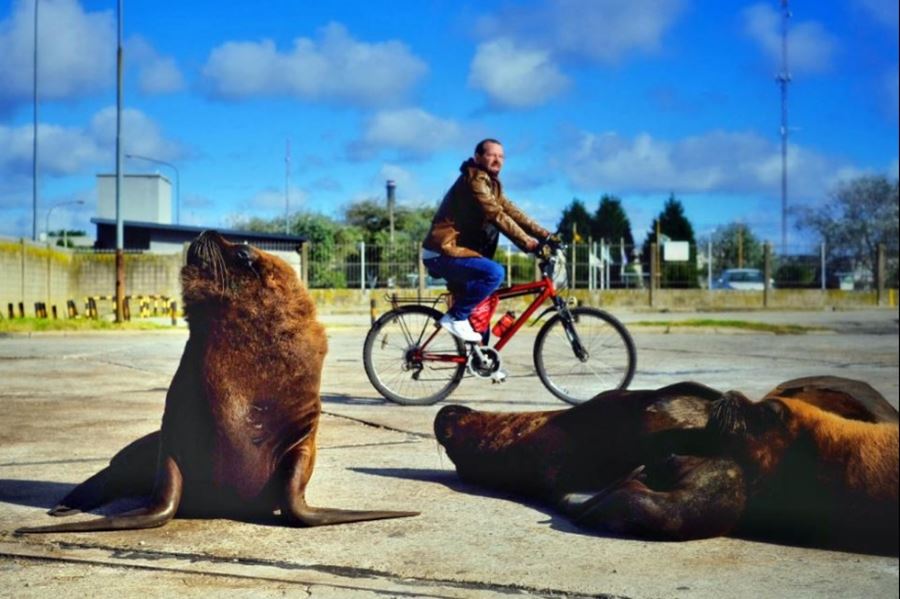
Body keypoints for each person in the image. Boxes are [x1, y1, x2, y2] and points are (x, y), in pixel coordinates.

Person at [422, 138, 551, 342]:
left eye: (501, 156)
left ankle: (483, 361)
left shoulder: (490, 184)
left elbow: (511, 211)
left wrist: (545, 235)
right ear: (478, 157)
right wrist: (528, 243)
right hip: (443, 251)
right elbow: (495, 215)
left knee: (482, 322)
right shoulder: (474, 180)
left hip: (456, 252)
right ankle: (456, 317)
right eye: (492, 155)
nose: (497, 159)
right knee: (495, 272)